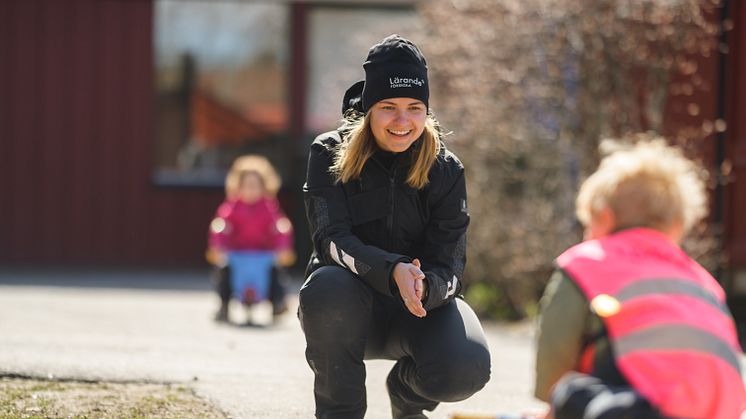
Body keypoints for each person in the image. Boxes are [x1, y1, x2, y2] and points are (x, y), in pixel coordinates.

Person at [299, 34, 491, 419]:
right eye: (388, 107)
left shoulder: (446, 169)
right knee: (326, 286)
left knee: (466, 367)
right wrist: (392, 271)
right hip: (348, 310)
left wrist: (425, 286)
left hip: (419, 310)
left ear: (426, 110)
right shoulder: (328, 153)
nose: (402, 121)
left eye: (414, 108)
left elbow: (450, 262)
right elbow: (330, 241)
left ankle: (406, 396)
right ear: (369, 108)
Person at [534, 137, 746, 419]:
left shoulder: (587, 263)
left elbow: (556, 351)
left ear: (604, 217)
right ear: (676, 227)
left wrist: (553, 401)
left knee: (571, 392)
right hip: (720, 413)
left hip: (638, 410)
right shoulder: (704, 282)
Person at [207, 154, 295, 323]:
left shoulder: (268, 206)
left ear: (264, 187)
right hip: (237, 254)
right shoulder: (232, 206)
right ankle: (224, 304)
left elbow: (279, 225)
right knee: (224, 270)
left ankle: (277, 301)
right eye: (247, 186)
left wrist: (283, 245)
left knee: (276, 271)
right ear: (238, 186)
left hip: (263, 255)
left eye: (255, 186)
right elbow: (221, 224)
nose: (251, 190)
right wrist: (218, 244)